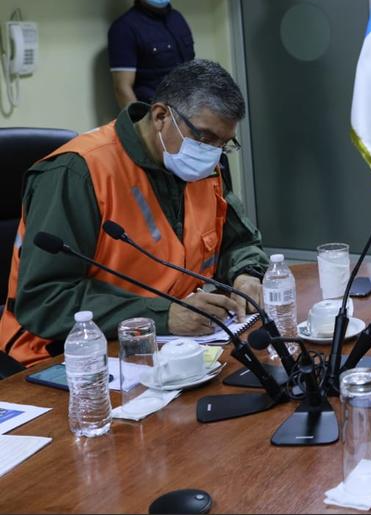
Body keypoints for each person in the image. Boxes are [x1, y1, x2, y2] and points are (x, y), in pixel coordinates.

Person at [0, 60, 268, 368]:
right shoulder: (79, 172)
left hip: (166, 347)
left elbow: (238, 241)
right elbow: (45, 300)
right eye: (205, 138)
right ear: (160, 116)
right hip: (63, 356)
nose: (213, 153)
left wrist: (245, 274)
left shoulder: (201, 169)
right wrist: (163, 316)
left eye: (224, 143)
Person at [108, 0, 195, 109]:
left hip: (190, 109)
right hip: (156, 116)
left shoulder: (177, 18)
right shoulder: (124, 28)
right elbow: (122, 88)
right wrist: (139, 127)